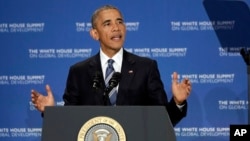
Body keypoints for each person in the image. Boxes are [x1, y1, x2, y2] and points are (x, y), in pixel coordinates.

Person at [31, 4, 191, 126]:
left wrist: (177, 102)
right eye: (107, 24)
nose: (116, 28)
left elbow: (162, 121)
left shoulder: (145, 67)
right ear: (95, 34)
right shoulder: (78, 72)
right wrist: (50, 112)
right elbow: (71, 122)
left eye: (119, 22)